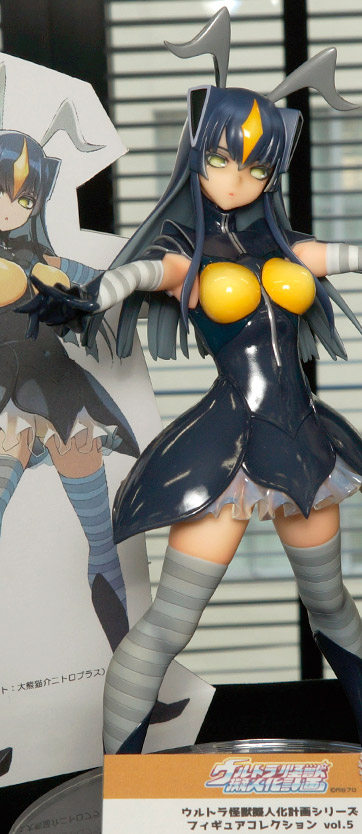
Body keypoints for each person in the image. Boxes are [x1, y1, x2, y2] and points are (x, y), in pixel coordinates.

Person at [21, 9, 362, 754]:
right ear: (196, 154)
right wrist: (84, 299)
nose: (240, 178)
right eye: (224, 159)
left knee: (329, 602)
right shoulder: (184, 254)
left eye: (258, 166)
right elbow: (133, 277)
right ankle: (121, 783)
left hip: (304, 445)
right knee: (169, 624)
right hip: (225, 452)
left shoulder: (289, 245)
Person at [0, 124, 139, 652]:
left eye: (24, 197)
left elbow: (115, 280)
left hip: (57, 391)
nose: (10, 208)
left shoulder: (46, 261)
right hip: (5, 401)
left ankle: (128, 672)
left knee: (103, 543)